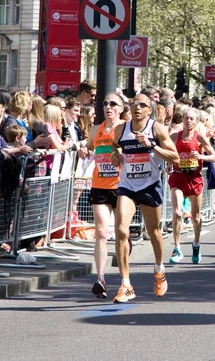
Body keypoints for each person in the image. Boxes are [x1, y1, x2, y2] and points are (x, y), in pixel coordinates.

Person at [110, 94, 179, 303]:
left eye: (142, 105)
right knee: (121, 230)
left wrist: (152, 146)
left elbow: (175, 157)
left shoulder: (156, 129)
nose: (137, 107)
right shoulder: (122, 129)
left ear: (150, 110)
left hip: (150, 185)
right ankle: (126, 285)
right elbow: (115, 145)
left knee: (154, 231)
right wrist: (116, 155)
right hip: (127, 185)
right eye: (134, 104)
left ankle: (159, 269)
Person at [79, 93, 125, 299]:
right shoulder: (96, 129)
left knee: (122, 233)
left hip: (122, 186)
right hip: (99, 185)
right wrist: (84, 151)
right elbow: (89, 147)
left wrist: (123, 155)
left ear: (121, 109)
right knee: (101, 232)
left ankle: (125, 275)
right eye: (105, 103)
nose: (108, 106)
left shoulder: (125, 128)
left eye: (113, 104)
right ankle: (101, 279)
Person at [167, 108, 215, 264]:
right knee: (177, 211)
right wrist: (168, 164)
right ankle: (177, 248)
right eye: (186, 118)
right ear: (182, 120)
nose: (188, 121)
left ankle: (196, 244)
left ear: (196, 122)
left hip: (194, 178)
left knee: (196, 217)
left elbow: (214, 157)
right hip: (178, 177)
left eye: (191, 119)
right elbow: (168, 154)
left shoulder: (200, 137)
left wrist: (201, 156)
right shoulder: (174, 137)